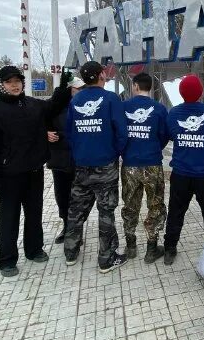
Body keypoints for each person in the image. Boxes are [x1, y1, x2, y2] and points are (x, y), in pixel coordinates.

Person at [0, 65, 70, 277]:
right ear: (1, 85)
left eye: (17, 81)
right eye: (10, 82)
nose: (15, 85)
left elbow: (53, 106)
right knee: (9, 217)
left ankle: (34, 249)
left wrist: (63, 87)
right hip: (8, 176)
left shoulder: (32, 105)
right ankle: (6, 259)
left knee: (34, 215)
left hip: (33, 171)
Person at [65, 61, 129, 273]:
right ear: (102, 75)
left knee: (76, 210)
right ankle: (106, 259)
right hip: (105, 165)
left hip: (82, 164)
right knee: (106, 212)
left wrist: (80, 152)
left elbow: (69, 132)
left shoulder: (76, 100)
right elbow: (122, 131)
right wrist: (114, 152)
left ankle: (71, 252)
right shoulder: (111, 99)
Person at [163, 74, 204, 265]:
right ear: (201, 92)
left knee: (176, 212)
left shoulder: (173, 113)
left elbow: (169, 135)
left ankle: (169, 249)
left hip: (181, 174)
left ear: (181, 93)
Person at [121, 72, 169, 263]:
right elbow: (165, 135)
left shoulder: (124, 107)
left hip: (130, 164)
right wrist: (154, 147)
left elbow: (119, 133)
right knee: (155, 205)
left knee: (130, 205)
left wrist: (125, 150)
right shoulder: (159, 108)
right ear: (151, 87)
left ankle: (131, 246)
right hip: (153, 164)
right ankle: (151, 248)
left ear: (135, 86)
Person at [46, 74, 85, 245]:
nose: (80, 91)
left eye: (81, 88)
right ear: (69, 89)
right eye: (77, 88)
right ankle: (66, 226)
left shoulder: (84, 107)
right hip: (60, 160)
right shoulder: (54, 107)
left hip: (79, 159)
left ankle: (76, 230)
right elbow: (40, 124)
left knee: (78, 197)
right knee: (62, 196)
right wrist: (45, 133)